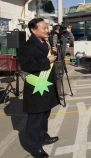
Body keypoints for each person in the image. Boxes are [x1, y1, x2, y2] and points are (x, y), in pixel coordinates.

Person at [18, 18, 60, 158]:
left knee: (44, 115)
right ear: (33, 30)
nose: (47, 30)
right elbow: (27, 66)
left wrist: (54, 52)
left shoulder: (45, 43)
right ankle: (34, 146)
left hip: (46, 85)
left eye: (47, 27)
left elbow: (53, 60)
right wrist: (47, 60)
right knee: (35, 118)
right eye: (44, 28)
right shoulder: (27, 46)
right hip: (36, 86)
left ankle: (43, 136)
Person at [51, 24, 73, 99]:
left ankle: (58, 92)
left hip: (61, 61)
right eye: (58, 29)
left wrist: (69, 32)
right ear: (55, 30)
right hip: (53, 61)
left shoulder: (62, 38)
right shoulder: (51, 38)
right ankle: (55, 93)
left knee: (60, 78)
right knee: (54, 78)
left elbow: (72, 41)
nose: (60, 31)